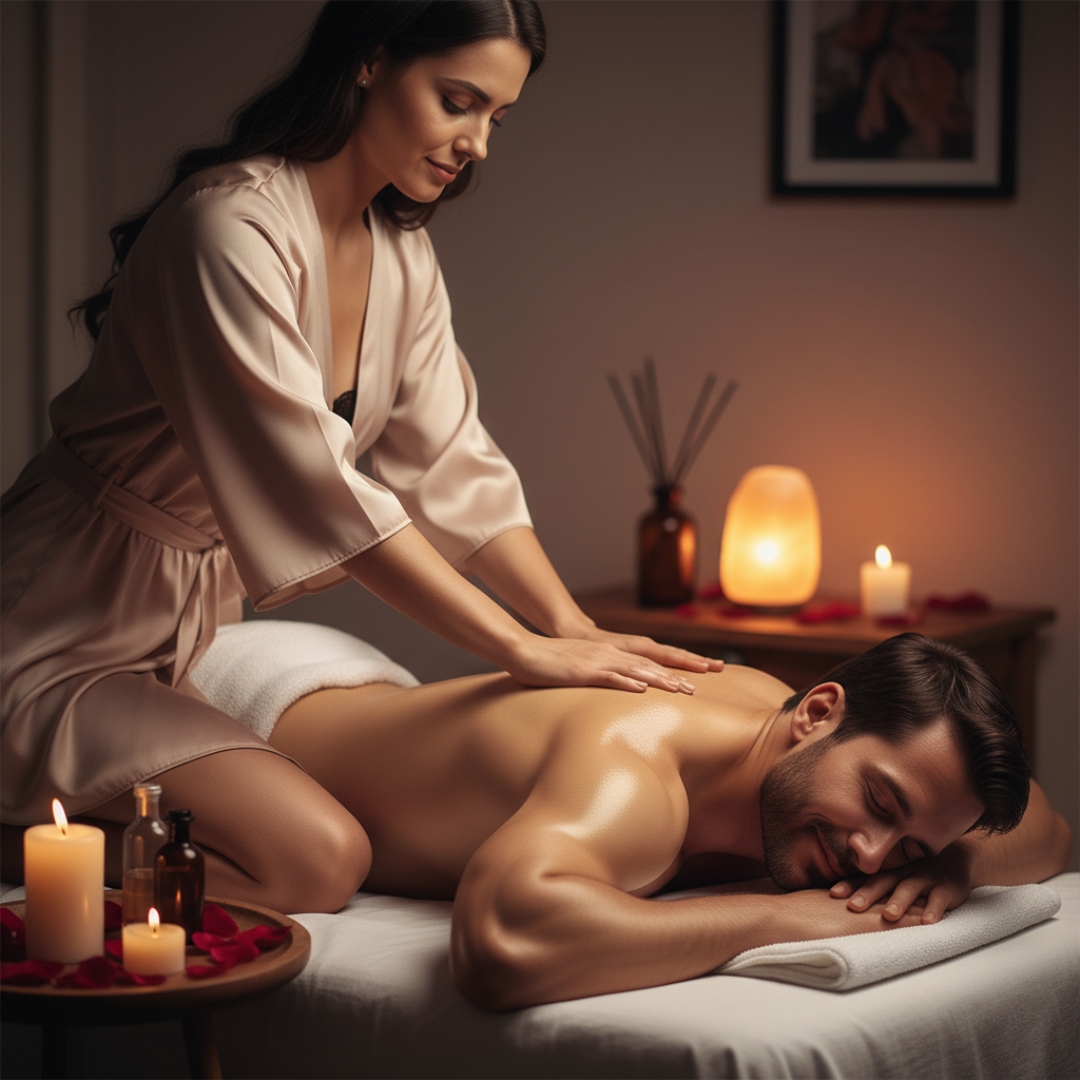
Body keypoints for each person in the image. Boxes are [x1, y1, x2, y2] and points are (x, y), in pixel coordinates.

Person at [0, 1, 722, 911]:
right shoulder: (226, 228)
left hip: (176, 635)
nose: (477, 145)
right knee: (320, 858)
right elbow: (320, 486)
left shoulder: (401, 255)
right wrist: (516, 647)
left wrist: (569, 627)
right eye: (458, 101)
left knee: (320, 851)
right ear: (371, 61)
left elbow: (455, 464)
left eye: (497, 119)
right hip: (53, 624)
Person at [192, 625, 1069, 1009]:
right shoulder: (638, 770)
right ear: (817, 712)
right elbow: (499, 942)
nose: (872, 856)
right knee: (319, 865)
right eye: (879, 805)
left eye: (908, 842)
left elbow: (1052, 832)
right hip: (238, 705)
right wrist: (785, 919)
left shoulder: (813, 749)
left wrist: (951, 863)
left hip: (367, 689)